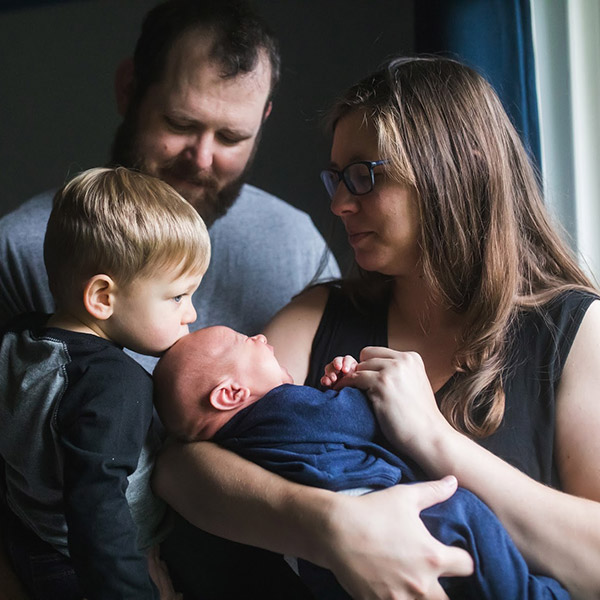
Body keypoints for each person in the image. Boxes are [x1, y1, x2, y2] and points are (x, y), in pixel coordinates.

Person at [153, 55, 600, 600]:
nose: (340, 204)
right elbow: (181, 467)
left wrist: (433, 438)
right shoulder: (322, 314)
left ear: (461, 165)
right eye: (337, 178)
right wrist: (333, 530)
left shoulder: (575, 332)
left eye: (364, 175)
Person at [0, 0, 339, 597]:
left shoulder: (296, 249)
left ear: (263, 118)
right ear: (130, 89)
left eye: (232, 136)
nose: (203, 158)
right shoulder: (20, 250)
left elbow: (315, 437)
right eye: (182, 123)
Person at [153, 325, 569, 600]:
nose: (260, 336)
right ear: (230, 394)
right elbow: (354, 421)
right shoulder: (280, 408)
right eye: (244, 342)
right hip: (394, 513)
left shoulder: (237, 445)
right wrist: (361, 390)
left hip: (327, 570)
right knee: (468, 514)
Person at [0, 167, 210, 599]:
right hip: (91, 571)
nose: (191, 313)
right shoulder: (115, 384)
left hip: (26, 540)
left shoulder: (18, 340)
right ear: (102, 298)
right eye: (177, 296)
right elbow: (96, 508)